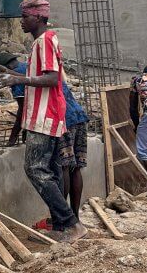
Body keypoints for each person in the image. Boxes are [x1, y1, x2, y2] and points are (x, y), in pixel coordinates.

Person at [2, 0, 88, 242]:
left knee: (35, 168)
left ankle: (71, 223)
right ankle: (60, 227)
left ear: (38, 18)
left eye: (26, 17)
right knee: (50, 170)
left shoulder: (45, 41)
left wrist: (19, 80)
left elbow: (52, 79)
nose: (21, 21)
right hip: (43, 116)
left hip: (45, 116)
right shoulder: (42, 42)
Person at [60, 82, 90, 219]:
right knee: (76, 167)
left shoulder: (32, 79)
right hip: (79, 116)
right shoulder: (55, 75)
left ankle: (65, 217)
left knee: (65, 166)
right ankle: (75, 216)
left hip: (65, 119)